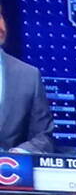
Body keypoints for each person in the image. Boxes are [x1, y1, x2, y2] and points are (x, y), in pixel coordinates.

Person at [0, 10, 54, 154]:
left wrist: (20, 153)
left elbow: (43, 136)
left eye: (0, 16)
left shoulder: (28, 75)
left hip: (11, 172)